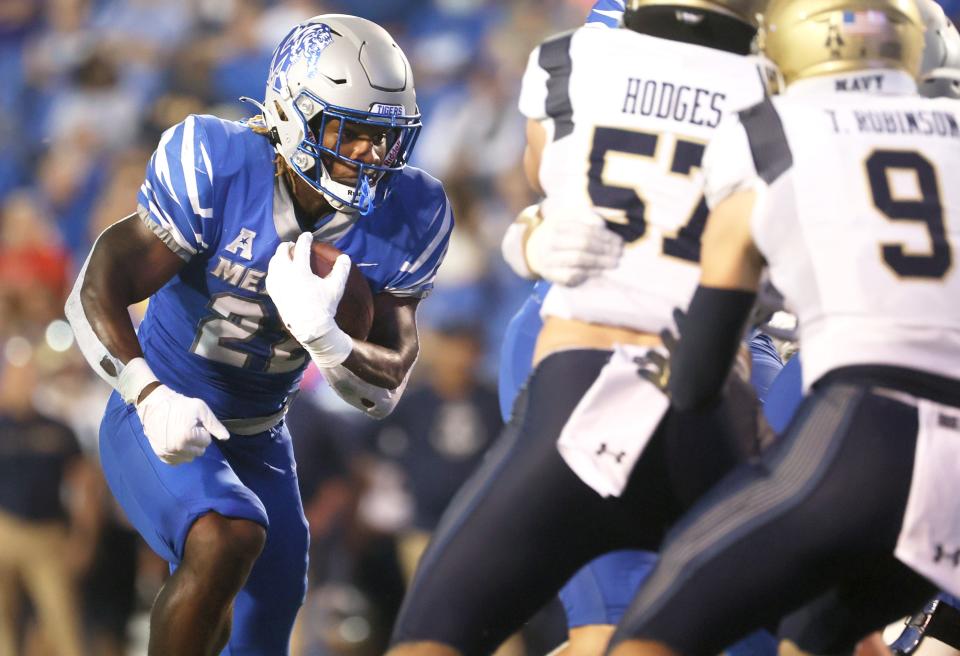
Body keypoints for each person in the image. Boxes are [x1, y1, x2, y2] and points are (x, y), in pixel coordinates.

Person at [387, 1, 773, 654]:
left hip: (580, 374)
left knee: (442, 631)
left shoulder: (571, 61)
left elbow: (543, 177)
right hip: (711, 381)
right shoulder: (778, 92)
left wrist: (530, 236)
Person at [64, 14, 452, 656]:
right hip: (160, 410)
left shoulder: (410, 211)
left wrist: (327, 339)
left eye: (384, 137)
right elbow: (92, 289)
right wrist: (148, 393)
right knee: (226, 534)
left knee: (267, 618)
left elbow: (385, 387)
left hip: (262, 436)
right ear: (292, 113)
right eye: (352, 131)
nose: (371, 156)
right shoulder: (218, 163)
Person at [606, 0, 960, 653]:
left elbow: (697, 382)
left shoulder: (773, 131)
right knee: (825, 633)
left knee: (654, 626)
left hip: (868, 427)